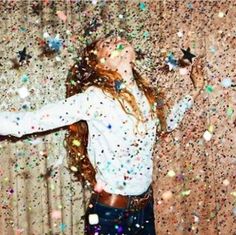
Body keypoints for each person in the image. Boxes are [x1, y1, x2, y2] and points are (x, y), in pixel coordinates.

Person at [0, 35, 204, 235]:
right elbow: (31, 121)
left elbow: (166, 123)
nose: (116, 41)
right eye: (107, 44)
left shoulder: (146, 96)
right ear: (100, 64)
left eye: (118, 39)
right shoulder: (95, 98)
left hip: (144, 208)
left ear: (132, 56)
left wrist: (194, 92)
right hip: (111, 215)